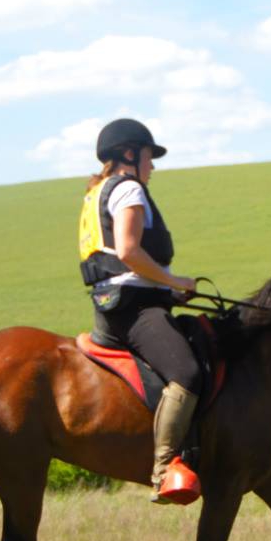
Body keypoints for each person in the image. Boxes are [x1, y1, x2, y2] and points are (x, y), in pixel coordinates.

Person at [78, 118, 202, 505]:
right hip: (134, 308)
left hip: (114, 303)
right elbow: (129, 252)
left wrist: (167, 290)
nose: (153, 165)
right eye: (149, 156)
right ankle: (164, 470)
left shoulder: (97, 192)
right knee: (187, 372)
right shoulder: (128, 189)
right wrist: (175, 281)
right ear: (129, 154)